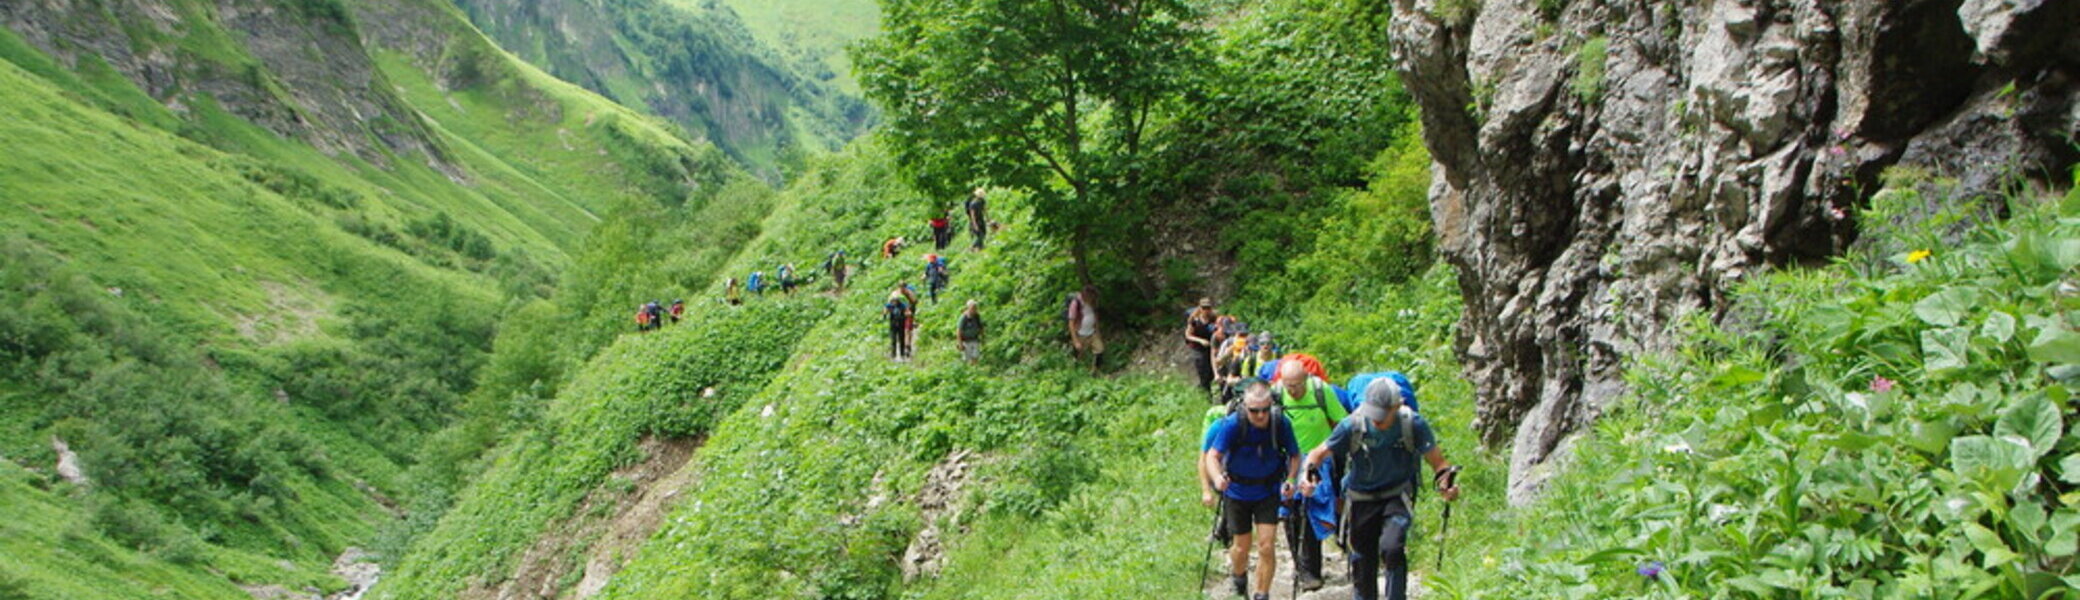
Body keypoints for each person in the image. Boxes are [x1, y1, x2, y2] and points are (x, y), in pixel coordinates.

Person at [1300, 379, 1462, 600]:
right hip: (1360, 497)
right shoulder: (1353, 425)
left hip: (1396, 495)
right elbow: (1317, 454)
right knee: (1362, 557)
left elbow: (1439, 464)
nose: (1376, 420)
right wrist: (1307, 476)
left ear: (1397, 406)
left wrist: (1446, 485)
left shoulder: (1412, 424)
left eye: (1382, 415)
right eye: (1373, 413)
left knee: (1392, 548)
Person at [1203, 383, 1299, 600]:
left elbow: (1295, 454)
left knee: (1266, 545)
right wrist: (1217, 478)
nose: (1261, 415)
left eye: (1265, 409)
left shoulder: (1280, 423)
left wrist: (1292, 479)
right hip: (1237, 491)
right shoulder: (1233, 424)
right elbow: (1212, 456)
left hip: (1268, 490)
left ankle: (1261, 594)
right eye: (1255, 411)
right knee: (1241, 547)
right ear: (1246, 407)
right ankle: (1239, 578)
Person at [1273, 360, 1350, 591]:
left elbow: (1342, 423)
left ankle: (1311, 570)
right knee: (1289, 511)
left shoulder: (1321, 391)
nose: (1292, 391)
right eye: (1288, 385)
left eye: (1296, 385)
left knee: (1311, 508)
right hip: (1287, 459)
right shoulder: (1276, 394)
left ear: (1306, 379)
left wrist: (1338, 454)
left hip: (1320, 460)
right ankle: (1302, 567)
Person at [1184, 298, 1218, 395]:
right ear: (1200, 308)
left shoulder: (1214, 318)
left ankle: (1204, 387)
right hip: (1198, 348)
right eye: (1204, 308)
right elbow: (1188, 335)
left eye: (1208, 308)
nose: (1206, 310)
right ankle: (1206, 394)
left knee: (1212, 372)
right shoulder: (1194, 320)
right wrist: (1200, 340)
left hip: (1211, 346)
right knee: (1203, 370)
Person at [1064, 286, 1102, 374]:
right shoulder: (1076, 304)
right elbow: (1071, 323)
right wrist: (1075, 341)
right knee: (1079, 353)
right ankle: (1075, 371)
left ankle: (1095, 371)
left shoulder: (1093, 303)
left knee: (1100, 350)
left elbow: (1095, 317)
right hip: (1080, 333)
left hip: (1092, 332)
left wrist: (1098, 330)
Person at [884, 287, 912, 361]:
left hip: (901, 324)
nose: (894, 301)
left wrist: (907, 313)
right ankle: (893, 355)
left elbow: (908, 311)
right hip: (893, 324)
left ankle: (902, 354)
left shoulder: (902, 305)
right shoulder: (890, 305)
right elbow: (885, 310)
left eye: (895, 300)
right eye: (893, 300)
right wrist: (885, 313)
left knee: (901, 339)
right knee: (893, 340)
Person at [956, 300, 985, 364]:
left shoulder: (977, 316)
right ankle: (968, 371)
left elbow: (981, 327)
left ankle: (974, 370)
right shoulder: (963, 317)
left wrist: (983, 338)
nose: (974, 310)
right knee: (967, 358)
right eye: (972, 308)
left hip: (975, 339)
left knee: (975, 356)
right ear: (968, 308)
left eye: (975, 308)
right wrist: (960, 343)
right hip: (966, 340)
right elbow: (958, 331)